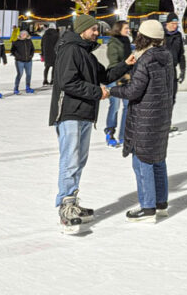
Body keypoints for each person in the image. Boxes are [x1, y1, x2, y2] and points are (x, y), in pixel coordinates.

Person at [48, 13, 131, 234]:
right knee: (71, 160)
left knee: (79, 161)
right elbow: (68, 82)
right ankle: (65, 207)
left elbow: (103, 75)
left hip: (84, 113)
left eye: (97, 29)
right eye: (93, 29)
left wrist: (126, 64)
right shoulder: (70, 50)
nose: (97, 33)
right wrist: (98, 92)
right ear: (82, 29)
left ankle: (72, 201)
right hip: (70, 113)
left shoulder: (85, 53)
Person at [110, 19, 175, 221]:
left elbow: (133, 90)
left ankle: (147, 207)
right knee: (158, 159)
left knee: (142, 160)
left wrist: (110, 91)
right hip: (161, 115)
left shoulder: (146, 59)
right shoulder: (166, 55)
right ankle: (161, 203)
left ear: (143, 37)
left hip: (145, 117)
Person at [105, 20, 133, 147]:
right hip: (115, 78)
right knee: (115, 105)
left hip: (127, 77)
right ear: (119, 29)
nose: (128, 30)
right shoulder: (113, 43)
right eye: (126, 28)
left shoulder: (127, 42)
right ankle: (110, 132)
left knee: (127, 106)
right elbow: (114, 63)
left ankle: (123, 135)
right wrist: (123, 75)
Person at [164, 12, 186, 95]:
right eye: (172, 23)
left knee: (172, 96)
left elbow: (181, 55)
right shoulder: (161, 35)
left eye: (176, 24)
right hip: (161, 70)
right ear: (167, 23)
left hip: (172, 70)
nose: (175, 26)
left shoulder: (178, 36)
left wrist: (183, 70)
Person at [11, 29, 36, 95]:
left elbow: (32, 49)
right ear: (20, 35)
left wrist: (31, 56)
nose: (23, 35)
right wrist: (18, 57)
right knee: (20, 74)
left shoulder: (29, 41)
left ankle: (28, 87)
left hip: (28, 61)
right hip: (20, 61)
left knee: (29, 74)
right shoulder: (17, 42)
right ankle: (16, 88)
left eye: (25, 34)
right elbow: (13, 51)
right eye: (22, 34)